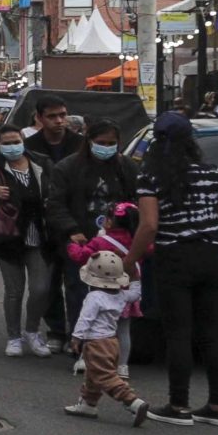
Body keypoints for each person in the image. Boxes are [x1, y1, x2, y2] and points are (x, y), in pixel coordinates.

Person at [129, 111, 218, 426]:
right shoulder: (213, 173)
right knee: (209, 334)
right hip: (212, 257)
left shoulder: (151, 176)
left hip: (175, 258)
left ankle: (179, 406)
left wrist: (129, 260)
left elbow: (149, 226)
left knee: (178, 333)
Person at [0, 124, 61, 359]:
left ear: (23, 141)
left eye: (16, 142)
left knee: (41, 289)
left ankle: (32, 331)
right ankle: (14, 337)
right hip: (8, 239)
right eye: (6, 143)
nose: (12, 147)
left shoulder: (41, 163)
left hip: (39, 238)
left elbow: (59, 189)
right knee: (14, 291)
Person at [47, 119, 137, 341]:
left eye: (111, 143)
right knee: (78, 289)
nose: (106, 147)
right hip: (82, 239)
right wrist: (72, 230)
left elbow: (137, 202)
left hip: (117, 243)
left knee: (117, 292)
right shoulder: (67, 168)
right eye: (101, 143)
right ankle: (79, 339)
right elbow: (56, 204)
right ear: (89, 141)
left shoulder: (126, 167)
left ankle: (110, 342)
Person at [64, 250, 149, 425]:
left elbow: (85, 318)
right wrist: (134, 277)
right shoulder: (121, 295)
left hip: (96, 343)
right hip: (112, 342)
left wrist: (76, 337)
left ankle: (132, 401)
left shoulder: (94, 297)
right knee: (93, 374)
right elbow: (135, 294)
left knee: (104, 376)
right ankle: (88, 403)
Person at [24, 96, 80, 168]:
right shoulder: (28, 146)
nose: (59, 121)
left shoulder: (82, 143)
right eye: (51, 116)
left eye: (62, 115)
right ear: (39, 117)